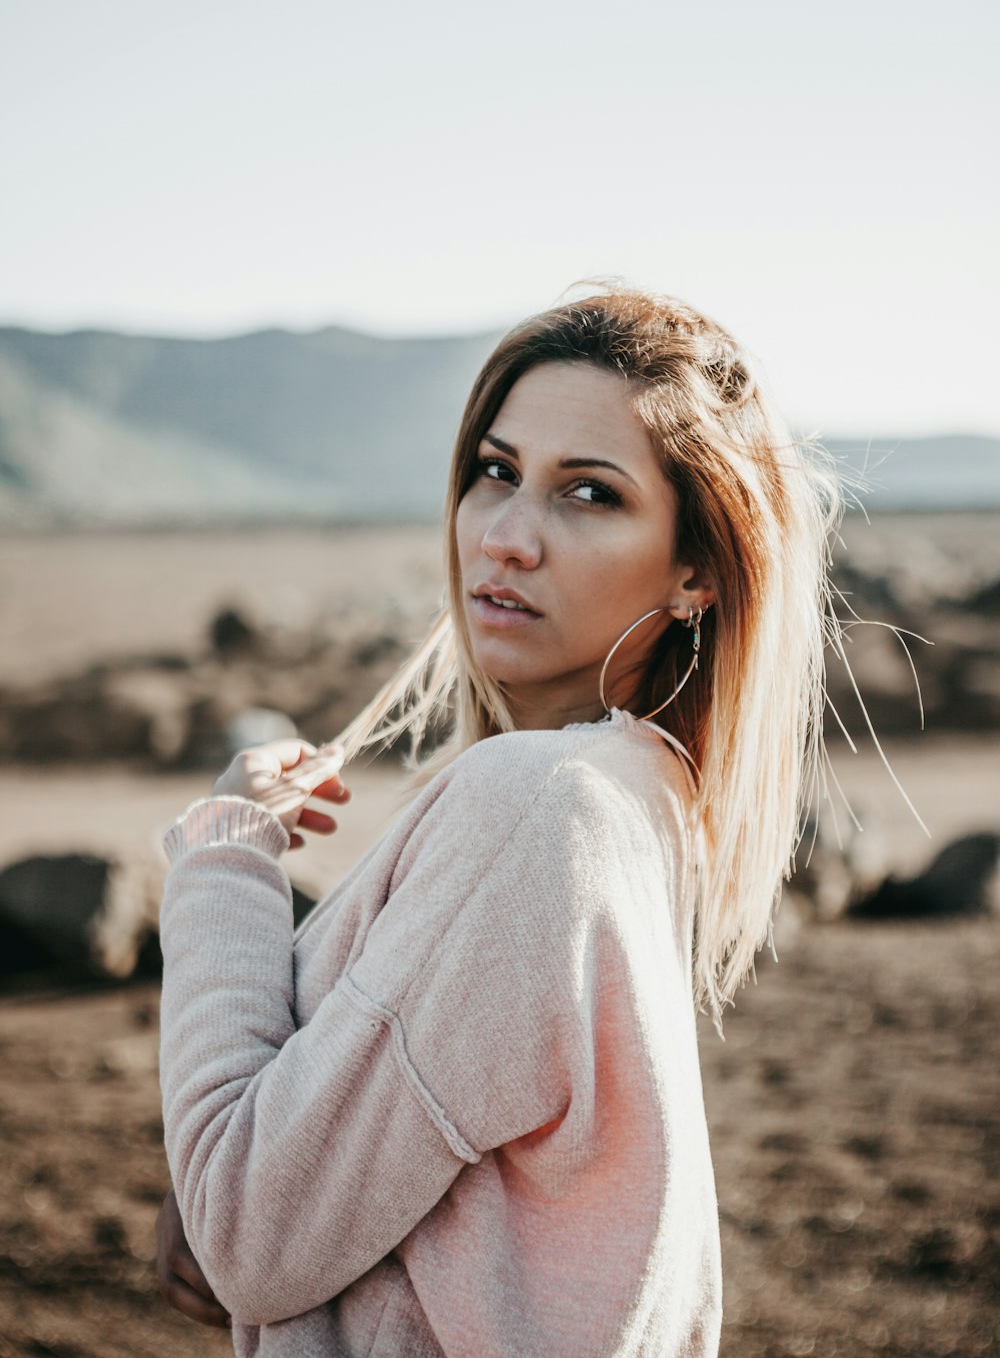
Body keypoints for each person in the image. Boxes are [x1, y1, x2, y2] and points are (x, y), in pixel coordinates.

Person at [155, 283, 840, 1356]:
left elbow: (247, 1232)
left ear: (696, 570)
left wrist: (226, 852)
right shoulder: (636, 799)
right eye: (494, 472)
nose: (508, 537)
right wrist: (236, 1142)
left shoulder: (536, 806)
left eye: (589, 494)